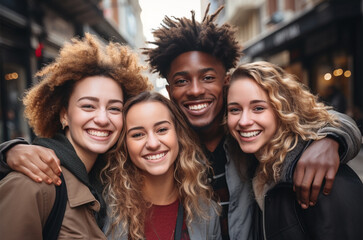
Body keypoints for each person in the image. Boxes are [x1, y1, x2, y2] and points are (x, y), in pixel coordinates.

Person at [0, 5, 361, 240]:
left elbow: (308, 118)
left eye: (207, 77)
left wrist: (332, 139)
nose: (195, 90)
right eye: (181, 81)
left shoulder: (246, 135)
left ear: (225, 79)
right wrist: (11, 150)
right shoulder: (139, 155)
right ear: (170, 90)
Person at [0, 33, 151, 239]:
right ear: (64, 115)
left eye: (114, 108)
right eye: (88, 106)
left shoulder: (110, 182)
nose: (102, 119)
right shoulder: (35, 182)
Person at [227, 61, 363, 239]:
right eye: (234, 109)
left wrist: (333, 138)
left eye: (258, 108)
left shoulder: (322, 175)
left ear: (282, 109)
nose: (244, 121)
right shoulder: (258, 166)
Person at [102, 91, 221, 239]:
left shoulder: (206, 212)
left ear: (179, 135)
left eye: (162, 130)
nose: (152, 144)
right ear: (124, 146)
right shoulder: (105, 210)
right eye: (138, 134)